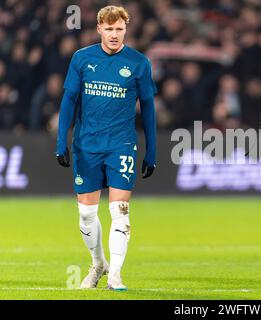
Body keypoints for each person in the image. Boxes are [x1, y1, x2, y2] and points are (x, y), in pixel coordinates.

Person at [56, 5, 157, 291]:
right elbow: (68, 101)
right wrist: (60, 139)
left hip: (121, 144)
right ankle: (98, 264)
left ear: (127, 29)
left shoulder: (139, 63)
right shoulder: (82, 58)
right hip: (86, 145)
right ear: (99, 28)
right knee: (87, 215)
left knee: (120, 209)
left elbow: (148, 109)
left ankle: (116, 275)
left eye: (120, 29)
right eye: (109, 29)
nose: (114, 34)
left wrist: (152, 151)